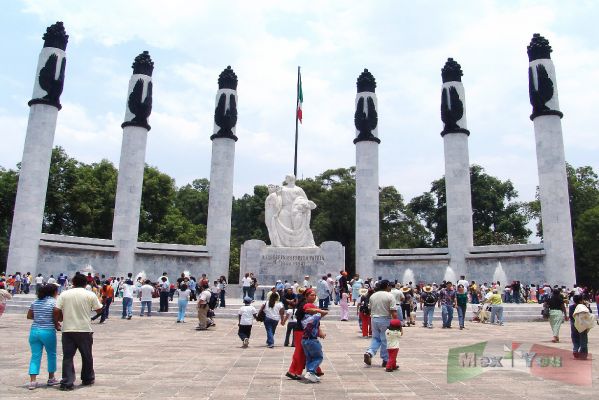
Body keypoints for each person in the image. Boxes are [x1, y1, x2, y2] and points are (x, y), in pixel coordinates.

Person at [53, 273, 103, 390]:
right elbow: (99, 310)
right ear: (86, 283)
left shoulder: (64, 294)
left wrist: (56, 323)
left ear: (73, 282)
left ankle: (67, 381)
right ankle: (87, 378)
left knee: (68, 357)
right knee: (87, 356)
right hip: (84, 329)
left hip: (68, 330)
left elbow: (56, 310)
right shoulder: (90, 295)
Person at [286, 288, 327, 380]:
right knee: (300, 352)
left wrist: (319, 330)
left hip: (306, 332)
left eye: (314, 295)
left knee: (307, 352)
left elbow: (314, 320)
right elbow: (310, 312)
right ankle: (293, 371)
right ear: (306, 296)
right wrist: (320, 311)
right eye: (311, 295)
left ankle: (315, 370)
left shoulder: (309, 305)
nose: (314, 297)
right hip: (300, 331)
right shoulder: (305, 305)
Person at [27, 283, 60, 390]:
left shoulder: (35, 302)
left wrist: (40, 318)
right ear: (53, 292)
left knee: (35, 355)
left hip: (34, 330)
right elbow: (57, 315)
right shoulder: (53, 302)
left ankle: (33, 381)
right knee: (51, 354)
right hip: (48, 331)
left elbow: (29, 316)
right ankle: (51, 378)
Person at [363, 280, 398, 368]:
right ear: (387, 286)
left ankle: (370, 352)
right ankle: (386, 360)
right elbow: (393, 311)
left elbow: (370, 309)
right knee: (385, 340)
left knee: (376, 338)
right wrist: (396, 323)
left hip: (374, 319)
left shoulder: (373, 296)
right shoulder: (390, 296)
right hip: (385, 319)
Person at [301, 295, 327, 383]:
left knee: (309, 358)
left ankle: (310, 374)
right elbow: (324, 313)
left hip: (304, 340)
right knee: (318, 357)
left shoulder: (304, 318)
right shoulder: (314, 317)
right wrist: (316, 310)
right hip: (312, 340)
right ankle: (311, 371)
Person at [570, 294, 593, 359]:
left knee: (575, 338)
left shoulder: (571, 307)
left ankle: (575, 350)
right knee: (583, 339)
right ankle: (583, 354)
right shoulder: (584, 307)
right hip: (582, 325)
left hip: (574, 324)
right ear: (581, 300)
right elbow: (589, 313)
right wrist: (588, 306)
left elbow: (571, 316)